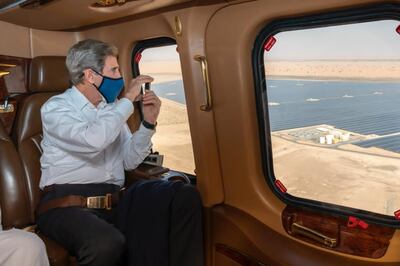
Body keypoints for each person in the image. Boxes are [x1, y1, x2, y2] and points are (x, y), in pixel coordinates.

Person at [36, 39, 203, 266]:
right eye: (114, 70)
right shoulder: (56, 108)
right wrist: (126, 100)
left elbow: (129, 161)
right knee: (106, 243)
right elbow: (94, 140)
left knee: (184, 196)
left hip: (115, 198)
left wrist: (148, 123)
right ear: (90, 76)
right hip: (66, 204)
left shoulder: (111, 110)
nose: (120, 77)